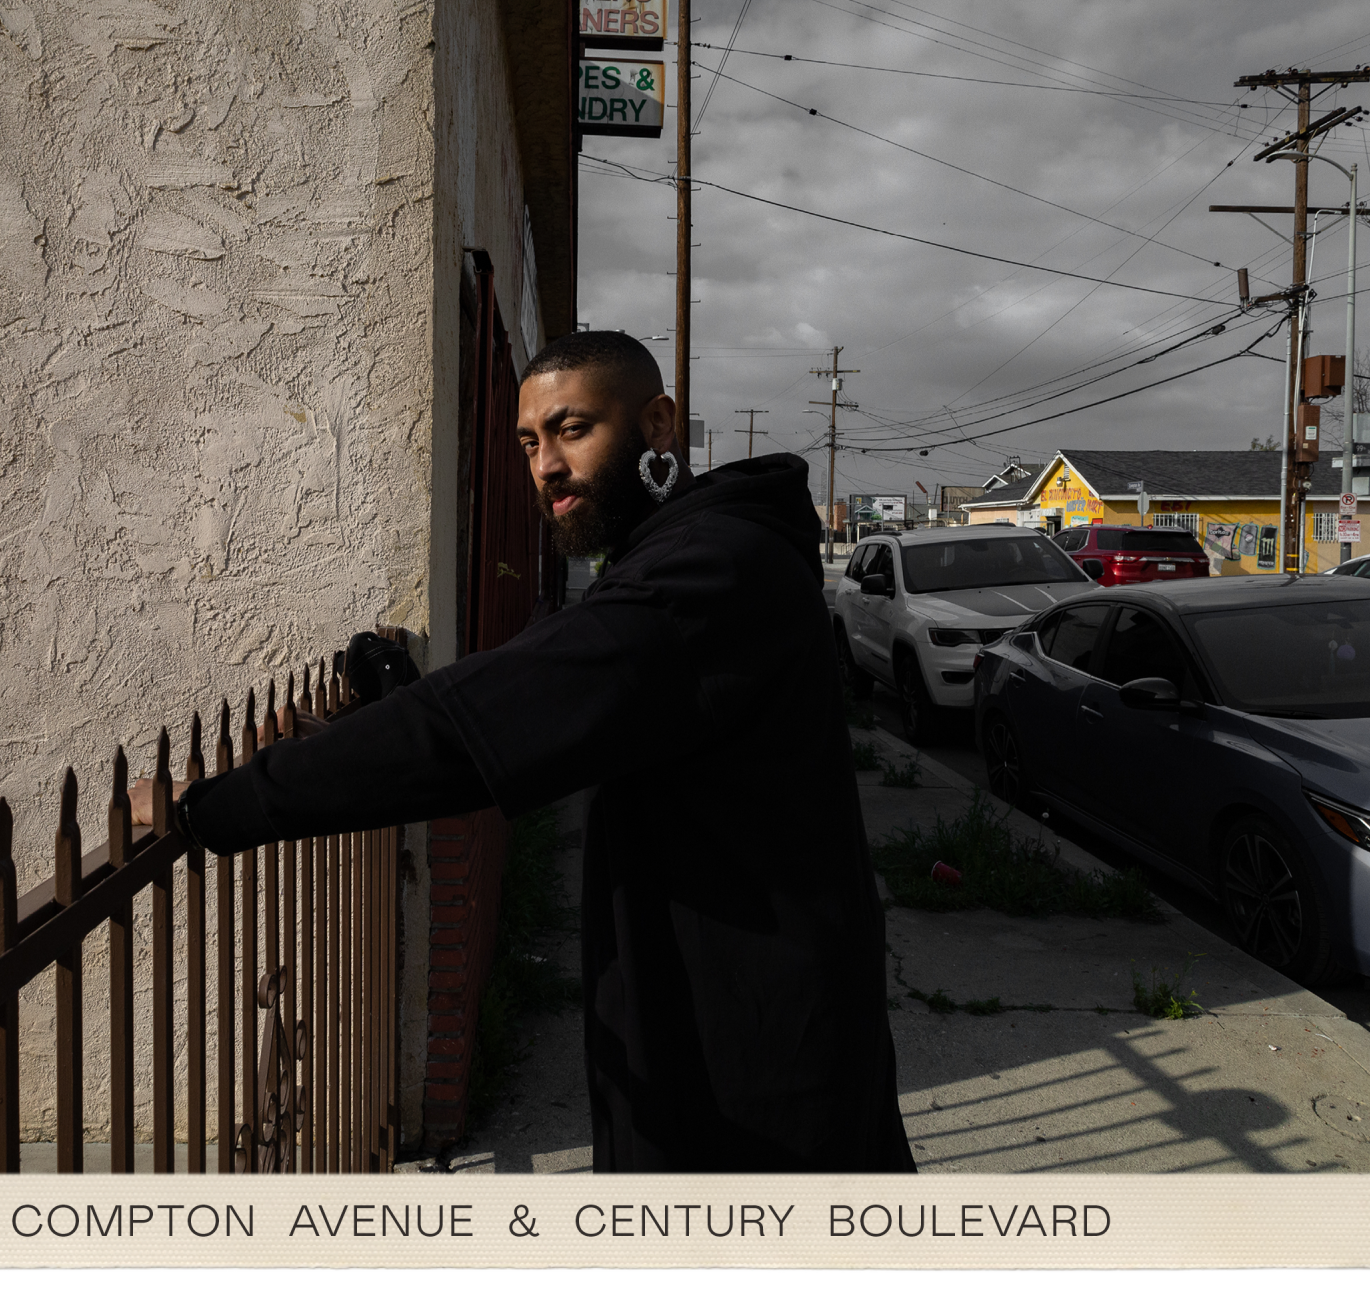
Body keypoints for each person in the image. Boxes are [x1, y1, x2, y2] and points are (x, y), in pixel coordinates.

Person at [175, 330, 916, 1174]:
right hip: (726, 1021)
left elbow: (490, 720)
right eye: (530, 442)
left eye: (572, 429)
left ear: (659, 424)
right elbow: (552, 691)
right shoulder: (689, 559)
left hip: (754, 1068)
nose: (545, 465)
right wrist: (390, 705)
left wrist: (217, 805)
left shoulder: (709, 573)